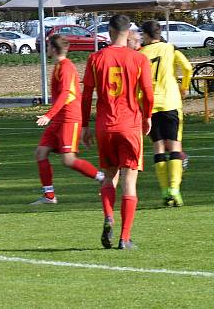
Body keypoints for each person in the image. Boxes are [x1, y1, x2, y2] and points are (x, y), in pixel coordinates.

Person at [81, 14, 154, 250]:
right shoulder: (139, 58)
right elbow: (148, 93)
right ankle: (124, 237)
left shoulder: (95, 58)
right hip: (130, 124)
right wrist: (148, 116)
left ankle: (109, 215)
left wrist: (84, 125)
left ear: (110, 31)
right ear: (127, 31)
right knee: (129, 181)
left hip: (105, 125)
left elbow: (86, 95)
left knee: (108, 176)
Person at [31, 35, 104, 205]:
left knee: (68, 160)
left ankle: (102, 178)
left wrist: (48, 115)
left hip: (69, 119)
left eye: (48, 46)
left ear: (54, 49)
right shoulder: (58, 66)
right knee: (40, 153)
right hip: (59, 119)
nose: (46, 49)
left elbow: (66, 94)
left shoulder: (66, 67)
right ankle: (49, 196)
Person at [140, 20, 193, 207]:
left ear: (146, 35)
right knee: (175, 145)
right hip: (170, 101)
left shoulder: (140, 54)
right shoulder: (170, 48)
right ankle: (175, 190)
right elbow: (187, 68)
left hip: (149, 105)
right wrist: (184, 87)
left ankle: (164, 192)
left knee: (159, 147)